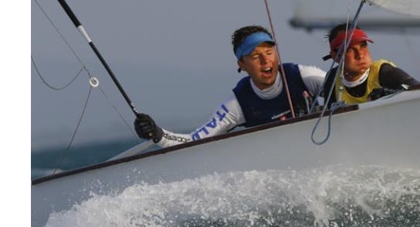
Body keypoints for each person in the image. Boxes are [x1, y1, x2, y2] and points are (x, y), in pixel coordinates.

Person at [133, 27, 327, 145]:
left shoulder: (303, 75)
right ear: (241, 64)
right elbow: (194, 141)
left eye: (269, 52)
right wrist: (157, 134)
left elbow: (341, 86)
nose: (265, 60)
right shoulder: (238, 104)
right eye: (255, 56)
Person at [322, 24, 416, 106]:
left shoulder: (383, 72)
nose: (360, 55)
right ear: (335, 56)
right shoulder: (332, 78)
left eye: (363, 46)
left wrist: (392, 94)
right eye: (350, 49)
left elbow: (419, 91)